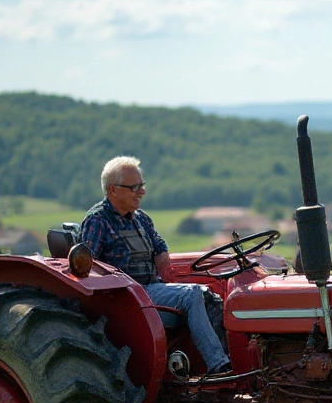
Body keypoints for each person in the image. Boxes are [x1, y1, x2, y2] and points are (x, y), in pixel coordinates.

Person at [80, 155, 232, 376]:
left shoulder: (141, 219)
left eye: (142, 185)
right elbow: (87, 270)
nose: (141, 191)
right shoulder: (97, 221)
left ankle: (230, 363)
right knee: (191, 295)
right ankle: (219, 366)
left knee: (208, 294)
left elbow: (160, 245)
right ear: (113, 190)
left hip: (150, 291)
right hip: (127, 298)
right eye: (134, 187)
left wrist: (162, 260)